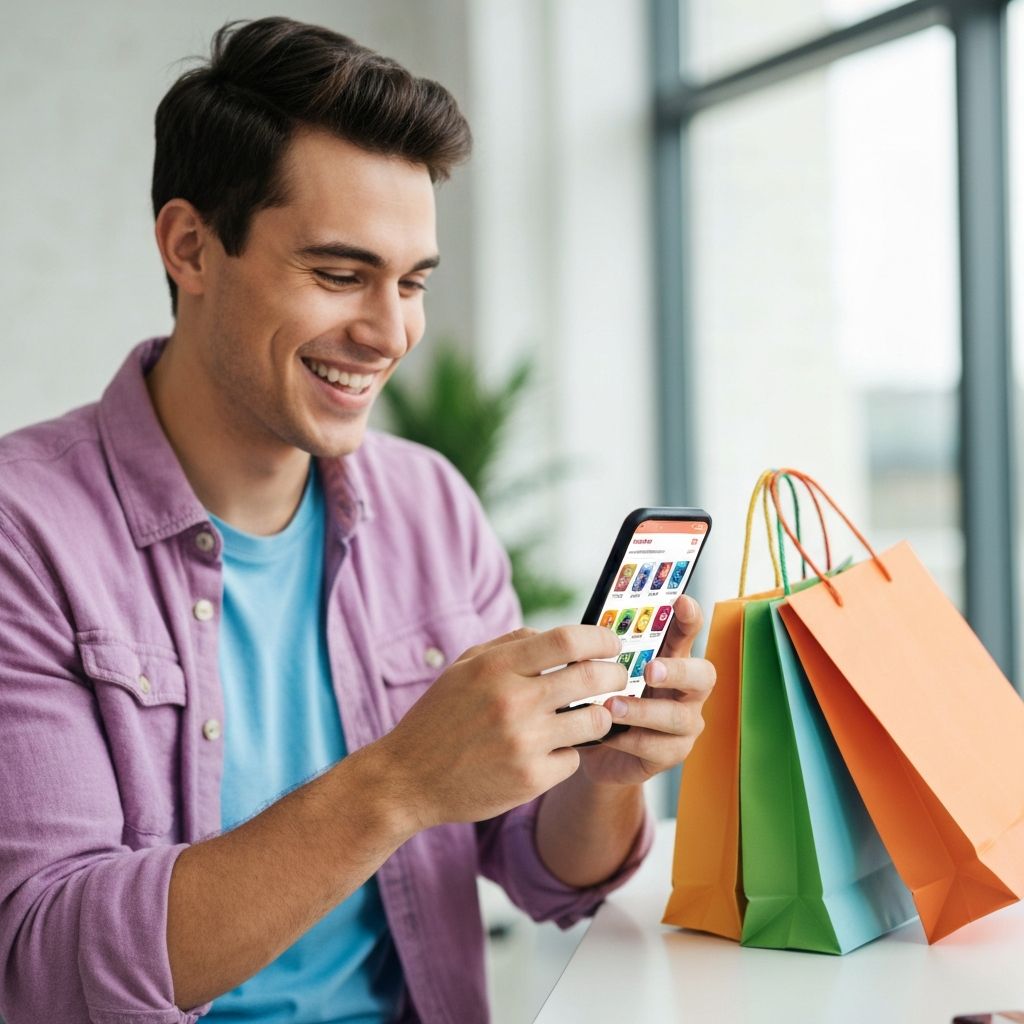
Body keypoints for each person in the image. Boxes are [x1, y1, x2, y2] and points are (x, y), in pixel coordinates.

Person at [0, 17, 716, 1024]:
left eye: (412, 281)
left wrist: (599, 775)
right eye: (340, 274)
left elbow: (542, 871)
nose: (390, 334)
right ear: (190, 246)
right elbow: (44, 966)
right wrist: (397, 783)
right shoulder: (22, 532)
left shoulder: (430, 506)